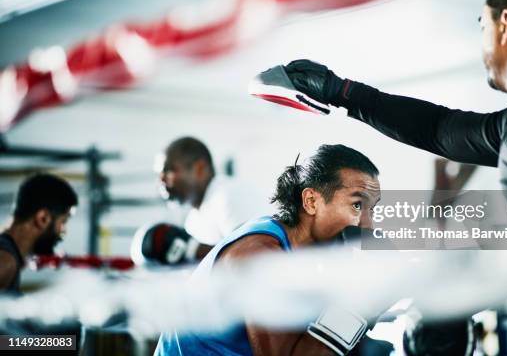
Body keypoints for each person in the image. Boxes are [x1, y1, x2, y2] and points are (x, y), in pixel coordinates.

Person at [263, 0, 507, 192]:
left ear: (505, 25)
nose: (482, 40)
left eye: (483, 25)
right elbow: (438, 129)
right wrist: (340, 91)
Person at [155, 144, 383, 355]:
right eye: (357, 205)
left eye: (371, 210)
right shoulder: (260, 256)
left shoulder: (303, 258)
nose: (367, 225)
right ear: (311, 201)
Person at [139, 136, 271, 264]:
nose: (161, 180)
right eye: (159, 174)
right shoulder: (192, 221)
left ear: (200, 169)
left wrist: (193, 249)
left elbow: (255, 258)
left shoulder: (228, 194)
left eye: (169, 170)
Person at [0, 173, 78, 294]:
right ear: (43, 218)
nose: (64, 231)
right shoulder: (6, 261)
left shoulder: (9, 255)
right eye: (63, 222)